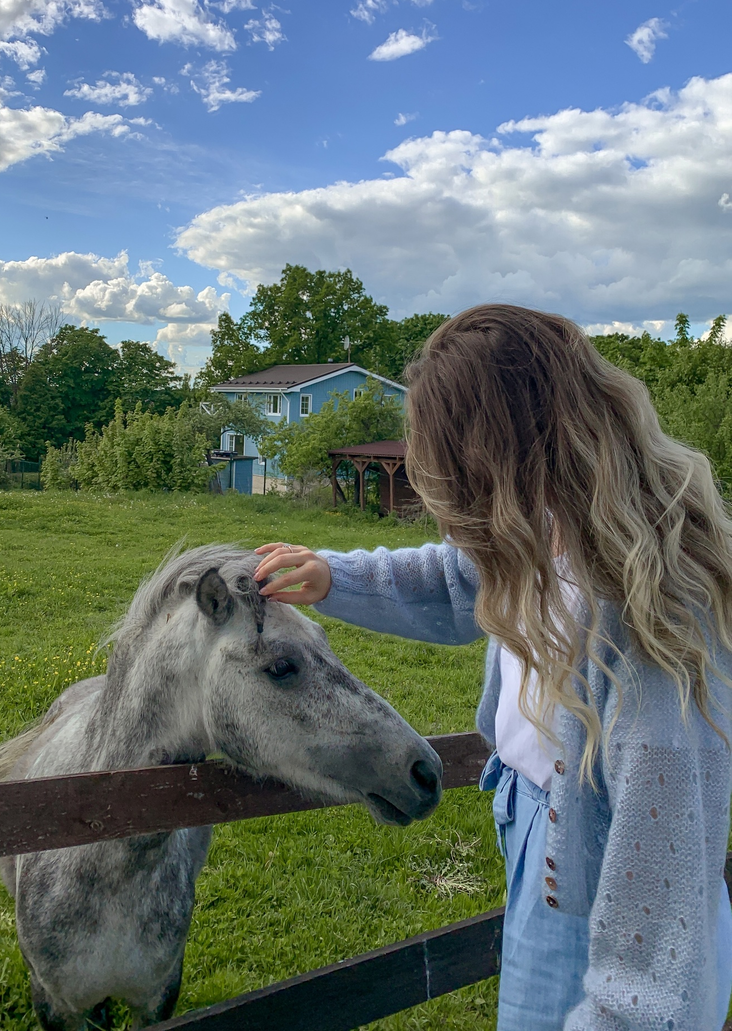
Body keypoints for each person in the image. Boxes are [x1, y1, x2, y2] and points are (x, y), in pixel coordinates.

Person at [254, 304, 732, 1031]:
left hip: (592, 870)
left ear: (496, 457)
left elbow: (661, 908)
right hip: (538, 825)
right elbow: (457, 579)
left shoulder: (655, 615)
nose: (445, 506)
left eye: (449, 468)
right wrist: (332, 578)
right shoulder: (556, 531)